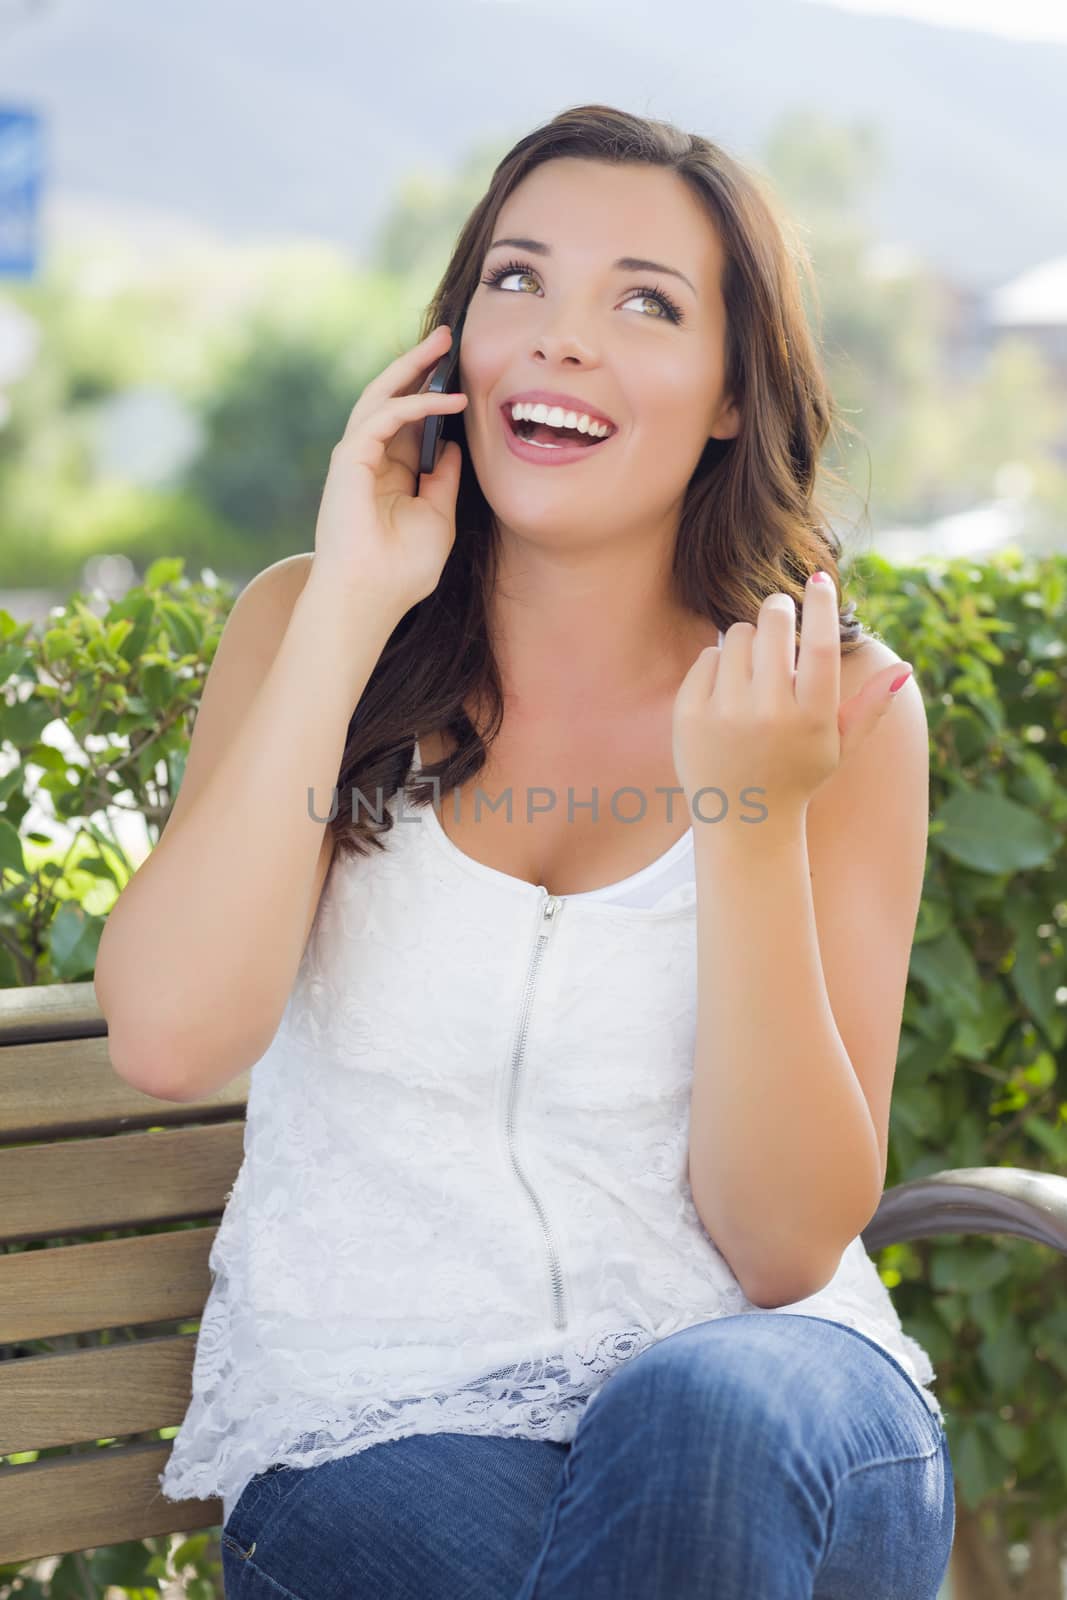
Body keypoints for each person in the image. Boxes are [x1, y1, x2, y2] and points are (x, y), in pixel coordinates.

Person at [96, 102, 954, 1598]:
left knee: (695, 1417)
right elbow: (172, 1036)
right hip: (377, 1427)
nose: (562, 337)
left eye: (645, 301)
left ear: (733, 398)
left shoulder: (836, 713)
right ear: (451, 352)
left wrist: (745, 821)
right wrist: (357, 606)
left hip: (776, 1409)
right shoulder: (310, 630)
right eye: (517, 280)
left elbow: (779, 1246)